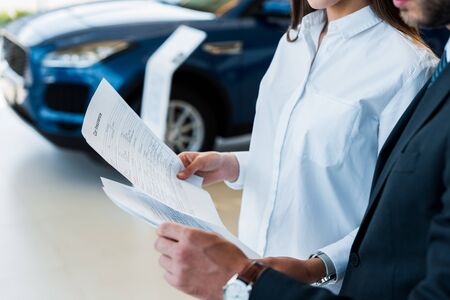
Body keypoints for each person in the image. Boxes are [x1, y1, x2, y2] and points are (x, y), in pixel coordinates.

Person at [154, 0, 450, 299]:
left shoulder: (407, 67)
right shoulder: (294, 41)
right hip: (246, 277)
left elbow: (396, 216)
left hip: (323, 290)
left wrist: (317, 266)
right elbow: (295, 149)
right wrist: (232, 164)